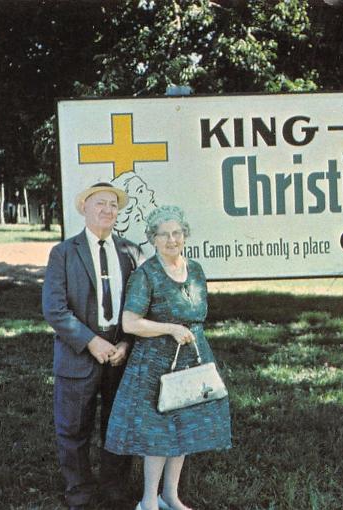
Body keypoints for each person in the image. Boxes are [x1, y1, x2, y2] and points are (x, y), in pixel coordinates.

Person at [105, 205, 232, 510]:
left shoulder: (196, 270)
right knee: (158, 433)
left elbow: (197, 315)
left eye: (177, 233)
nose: (172, 239)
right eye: (164, 235)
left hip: (192, 360)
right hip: (155, 365)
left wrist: (186, 333)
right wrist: (171, 328)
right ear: (153, 239)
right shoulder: (146, 274)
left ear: (184, 235)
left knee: (184, 428)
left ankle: (170, 496)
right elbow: (130, 323)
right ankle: (148, 500)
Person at [42, 182, 145, 510]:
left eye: (113, 205)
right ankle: (80, 493)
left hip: (120, 356)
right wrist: (90, 342)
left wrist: (127, 342)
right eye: (99, 204)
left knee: (119, 426)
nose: (107, 210)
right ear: (84, 209)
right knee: (73, 428)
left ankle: (114, 490)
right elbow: (55, 309)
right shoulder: (64, 253)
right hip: (78, 356)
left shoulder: (132, 252)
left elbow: (142, 305)